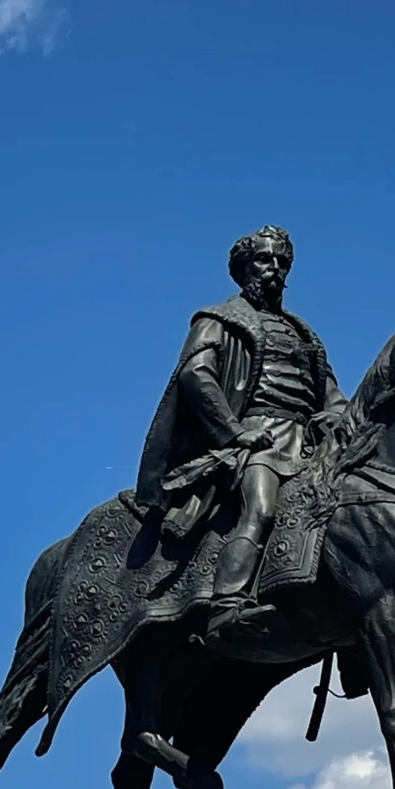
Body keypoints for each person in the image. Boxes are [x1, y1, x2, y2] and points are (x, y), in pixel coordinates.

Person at [135, 225, 345, 623]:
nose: (275, 269)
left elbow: (330, 392)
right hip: (254, 440)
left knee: (354, 521)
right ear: (243, 268)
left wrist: (339, 418)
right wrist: (235, 432)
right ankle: (226, 606)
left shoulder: (303, 333)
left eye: (283, 262)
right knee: (261, 510)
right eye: (265, 260)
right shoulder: (220, 319)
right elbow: (196, 375)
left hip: (308, 445)